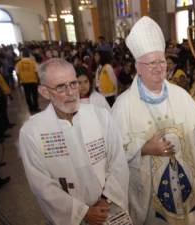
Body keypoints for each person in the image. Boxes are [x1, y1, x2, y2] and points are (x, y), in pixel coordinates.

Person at [112, 16, 195, 225]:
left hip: (186, 185)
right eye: (151, 62)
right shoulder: (123, 105)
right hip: (151, 195)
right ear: (137, 67)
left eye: (161, 61)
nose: (158, 67)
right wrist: (144, 149)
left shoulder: (180, 94)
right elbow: (113, 151)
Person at [19, 58, 129, 225]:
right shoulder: (32, 131)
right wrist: (82, 212)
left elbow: (118, 161)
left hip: (108, 208)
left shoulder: (100, 116)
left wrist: (106, 200)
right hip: (70, 216)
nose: (70, 92)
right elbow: (41, 184)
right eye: (61, 87)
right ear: (44, 92)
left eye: (73, 83)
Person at [15, 49, 40, 113]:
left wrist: (18, 82)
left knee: (27, 95)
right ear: (29, 55)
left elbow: (17, 73)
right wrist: (38, 80)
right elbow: (36, 72)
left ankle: (31, 107)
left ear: (22, 56)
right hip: (33, 80)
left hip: (24, 81)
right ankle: (36, 107)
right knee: (34, 94)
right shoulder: (33, 62)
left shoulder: (18, 64)